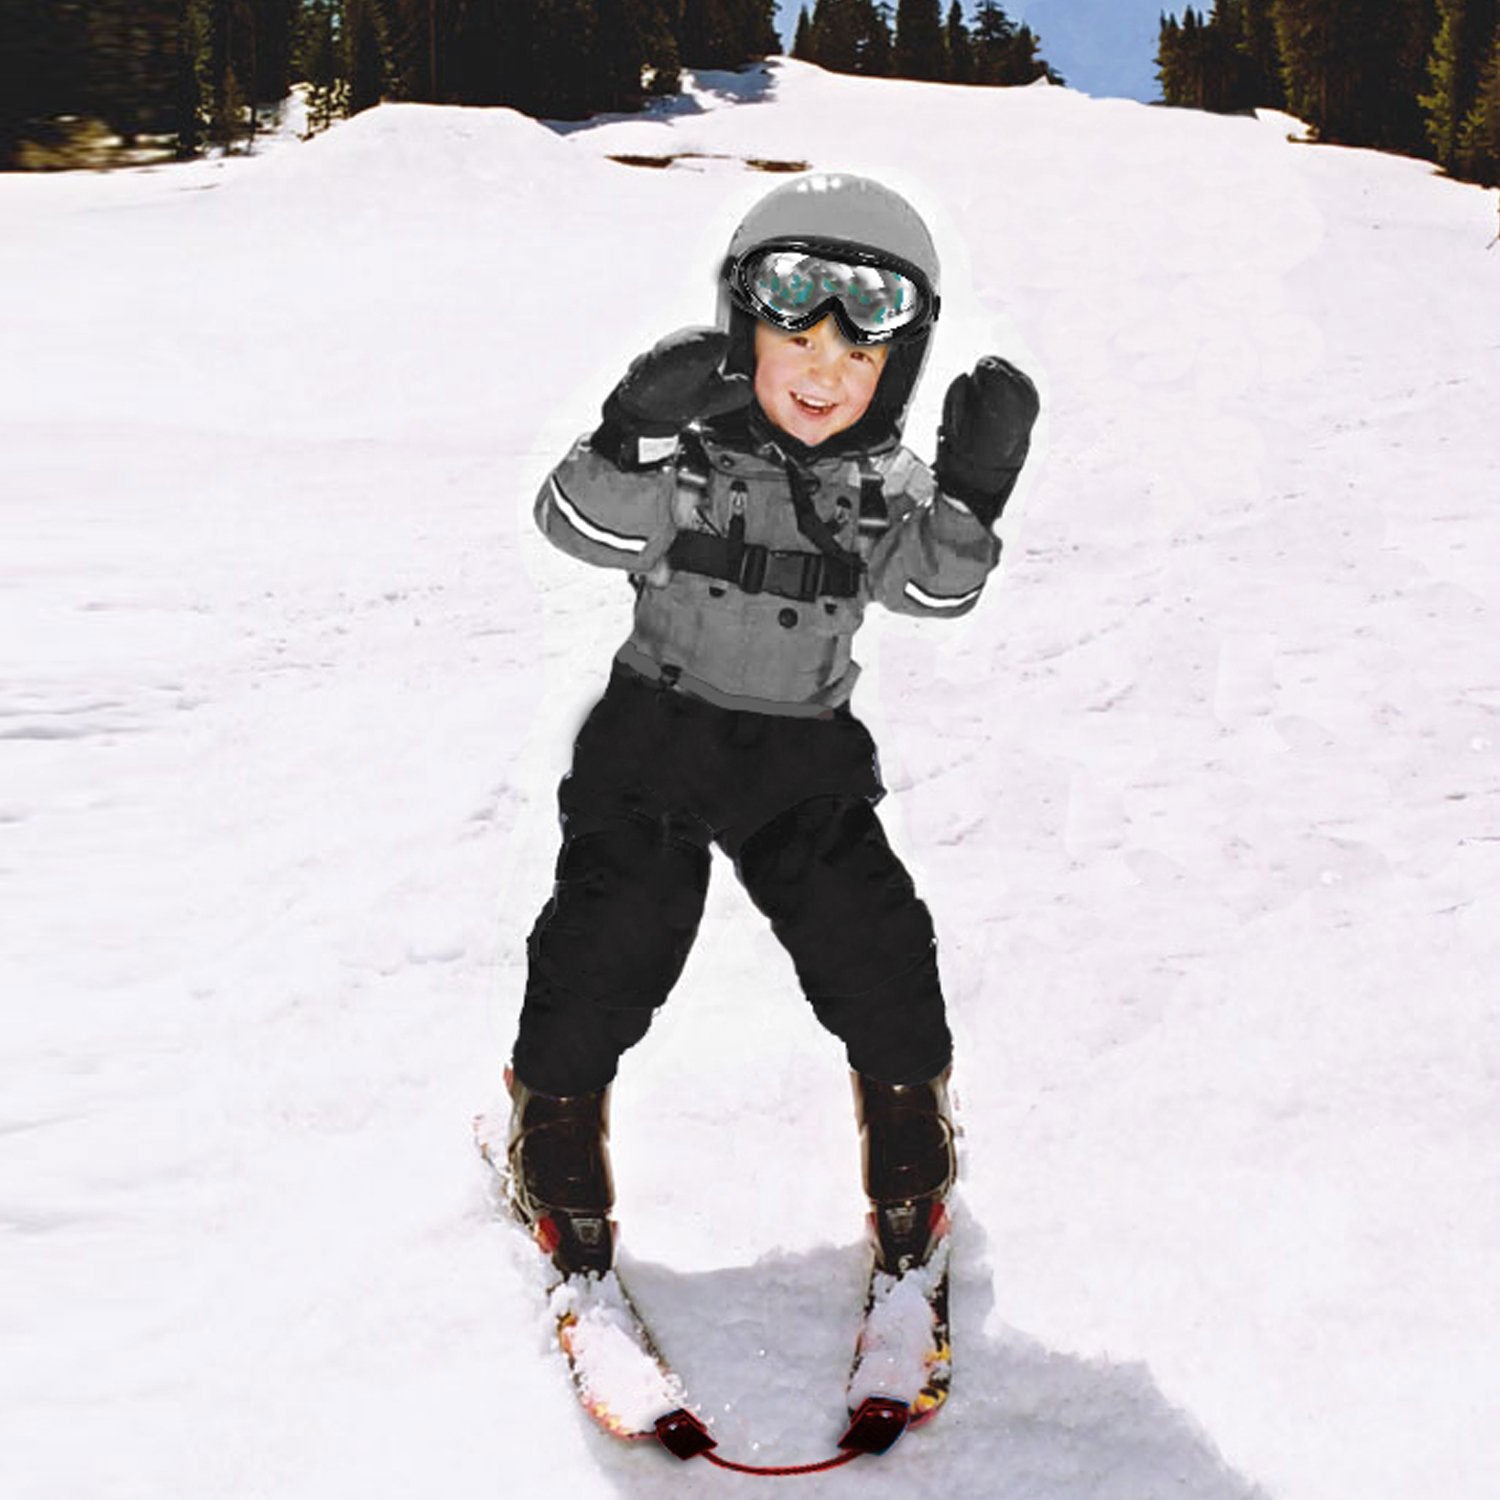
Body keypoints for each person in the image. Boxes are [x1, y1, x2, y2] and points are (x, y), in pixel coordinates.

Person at [503, 173, 1039, 1287]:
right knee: (617, 925)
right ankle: (553, 1120)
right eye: (796, 343)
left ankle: (909, 1129)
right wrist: (630, 434)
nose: (821, 374)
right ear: (742, 334)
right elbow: (579, 527)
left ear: (897, 370)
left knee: (873, 938)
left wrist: (971, 500)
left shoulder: (883, 486)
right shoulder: (693, 456)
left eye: (856, 357)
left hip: (801, 755)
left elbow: (934, 593)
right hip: (656, 732)